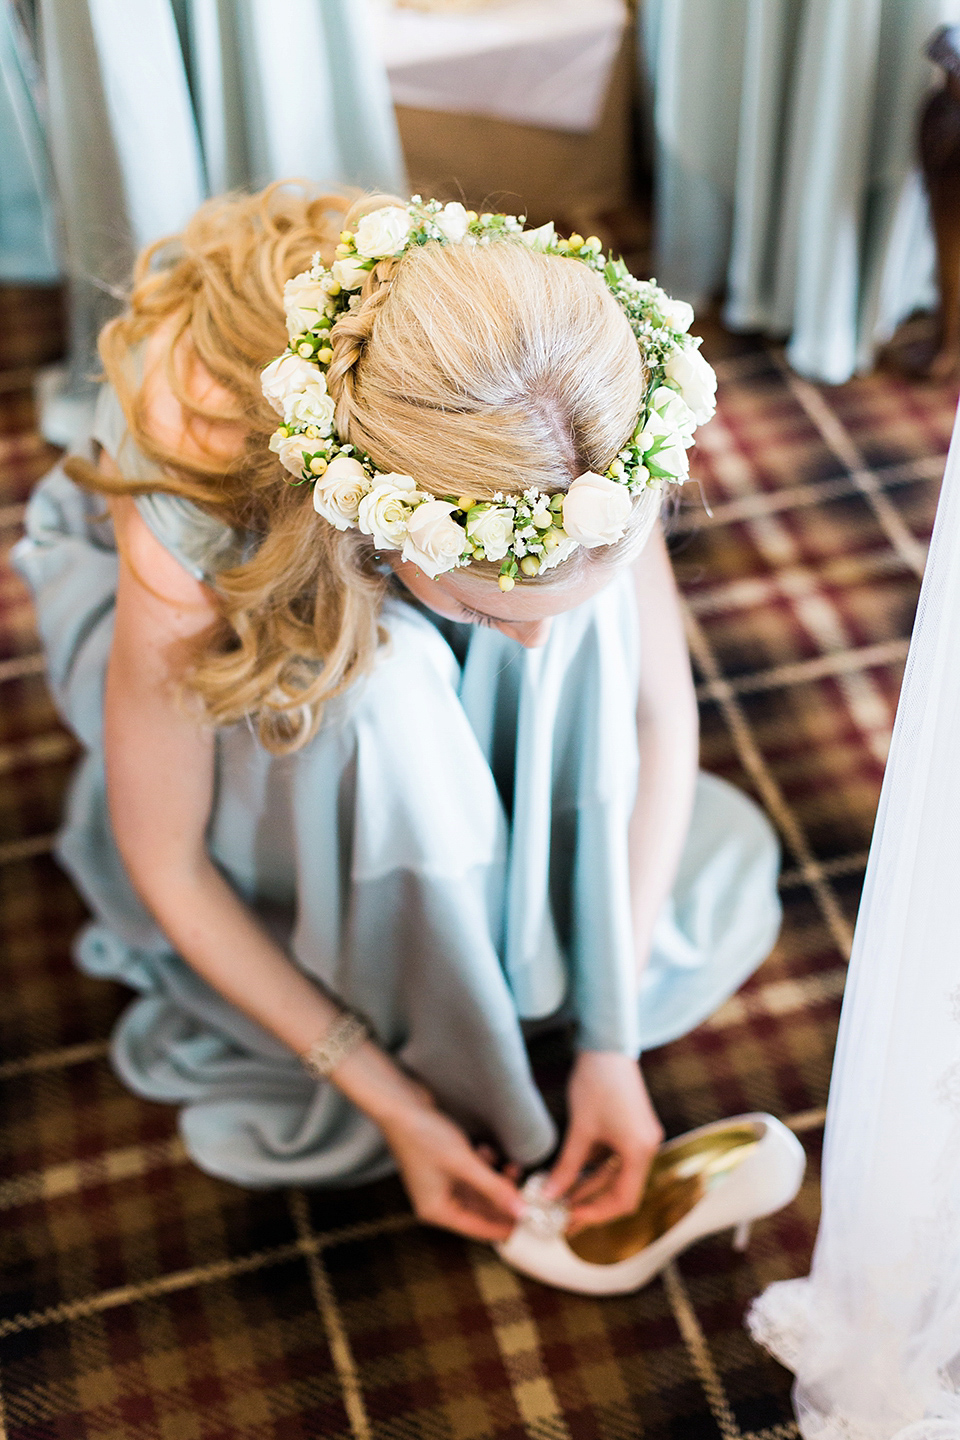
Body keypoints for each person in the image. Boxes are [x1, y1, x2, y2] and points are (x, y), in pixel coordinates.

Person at [14, 185, 782, 1246]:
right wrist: (391, 1098)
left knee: (573, 630)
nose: (529, 649)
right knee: (381, 702)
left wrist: (611, 1042)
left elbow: (659, 718)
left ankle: (509, 933)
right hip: (237, 615)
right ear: (399, 537)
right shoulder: (195, 489)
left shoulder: (570, 413)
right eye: (484, 609)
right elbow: (168, 863)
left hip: (416, 536)